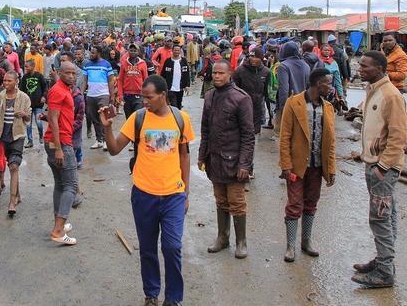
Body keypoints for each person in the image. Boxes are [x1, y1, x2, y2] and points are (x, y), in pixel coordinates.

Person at [100, 75, 194, 306]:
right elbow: (113, 150)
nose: (144, 101)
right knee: (148, 249)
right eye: (143, 97)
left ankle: (173, 300)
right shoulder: (138, 118)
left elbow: (184, 155)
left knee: (172, 247)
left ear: (162, 96)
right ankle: (151, 294)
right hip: (144, 195)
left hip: (173, 195)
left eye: (149, 97)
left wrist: (186, 193)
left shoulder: (180, 119)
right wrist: (107, 128)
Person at [352, 51, 407, 288]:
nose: (360, 69)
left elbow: (398, 135)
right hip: (374, 164)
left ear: (380, 68)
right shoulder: (373, 89)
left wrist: (383, 167)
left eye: (365, 66)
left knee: (380, 218)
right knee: (388, 215)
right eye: (360, 65)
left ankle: (385, 271)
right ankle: (385, 260)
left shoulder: (391, 96)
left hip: (382, 168)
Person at [278, 68, 337, 263]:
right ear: (317, 84)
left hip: (317, 166)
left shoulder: (328, 107)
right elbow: (285, 136)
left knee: (311, 203)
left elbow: (331, 140)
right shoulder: (293, 103)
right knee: (295, 204)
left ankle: (306, 241)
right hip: (296, 166)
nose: (331, 86)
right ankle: (290, 245)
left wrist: (331, 168)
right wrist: (285, 165)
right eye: (328, 83)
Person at [200, 61, 254, 258]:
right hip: (215, 159)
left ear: (229, 74)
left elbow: (248, 135)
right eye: (214, 73)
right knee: (220, 200)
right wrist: (201, 155)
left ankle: (241, 242)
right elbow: (205, 129)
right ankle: (223, 237)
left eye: (221, 73)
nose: (216, 76)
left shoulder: (241, 98)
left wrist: (244, 164)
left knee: (237, 202)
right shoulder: (209, 96)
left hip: (234, 161)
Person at [0, 71, 31, 216]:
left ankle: (11, 202)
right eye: (4, 81)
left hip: (18, 136)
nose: (6, 83)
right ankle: (17, 194)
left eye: (9, 81)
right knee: (10, 163)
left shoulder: (24, 98)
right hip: (3, 135)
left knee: (14, 166)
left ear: (16, 82)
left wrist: (24, 115)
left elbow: (28, 118)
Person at [44, 61, 79, 245]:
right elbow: (53, 120)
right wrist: (58, 148)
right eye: (68, 73)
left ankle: (58, 224)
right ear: (59, 72)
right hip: (61, 142)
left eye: (74, 73)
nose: (72, 76)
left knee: (60, 184)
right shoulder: (58, 90)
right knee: (71, 186)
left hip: (59, 141)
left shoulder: (64, 88)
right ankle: (58, 230)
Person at [84, 46, 117, 150]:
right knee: (95, 119)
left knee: (105, 118)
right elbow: (84, 80)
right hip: (91, 95)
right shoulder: (87, 65)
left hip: (103, 94)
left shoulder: (106, 64)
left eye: (93, 53)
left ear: (99, 53)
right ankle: (99, 140)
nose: (91, 55)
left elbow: (111, 81)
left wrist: (112, 95)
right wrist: (81, 93)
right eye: (91, 53)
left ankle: (106, 141)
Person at [233, 49, 270, 138]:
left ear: (261, 58)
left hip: (257, 109)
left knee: (254, 135)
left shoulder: (266, 72)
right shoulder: (240, 70)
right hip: (241, 108)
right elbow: (233, 90)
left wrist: (270, 113)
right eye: (251, 56)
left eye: (256, 57)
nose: (253, 59)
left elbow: (267, 93)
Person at [275, 41, 310, 134]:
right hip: (302, 104)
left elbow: (284, 90)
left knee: (283, 136)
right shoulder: (306, 66)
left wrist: (283, 109)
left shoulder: (283, 66)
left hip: (288, 105)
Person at [19, 59, 47, 148]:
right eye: (25, 66)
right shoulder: (24, 77)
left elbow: (45, 88)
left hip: (38, 104)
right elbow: (22, 90)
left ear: (32, 66)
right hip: (27, 106)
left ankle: (41, 136)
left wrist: (44, 96)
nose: (25, 68)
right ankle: (30, 141)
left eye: (27, 66)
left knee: (39, 122)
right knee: (28, 124)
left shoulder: (39, 76)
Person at [120, 43, 149, 118]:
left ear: (138, 52)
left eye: (134, 50)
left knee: (137, 117)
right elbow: (120, 80)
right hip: (127, 95)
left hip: (139, 95)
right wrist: (120, 95)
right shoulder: (124, 63)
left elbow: (146, 79)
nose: (133, 52)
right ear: (128, 51)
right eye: (131, 50)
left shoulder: (143, 64)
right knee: (129, 119)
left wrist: (146, 95)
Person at [160, 45, 190, 110]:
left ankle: (177, 118)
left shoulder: (184, 61)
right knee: (174, 105)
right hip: (170, 89)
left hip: (180, 88)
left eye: (178, 50)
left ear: (180, 51)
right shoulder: (168, 61)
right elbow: (163, 75)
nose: (176, 52)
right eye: (175, 50)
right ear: (172, 51)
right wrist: (163, 87)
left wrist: (187, 85)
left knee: (179, 105)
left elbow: (187, 74)